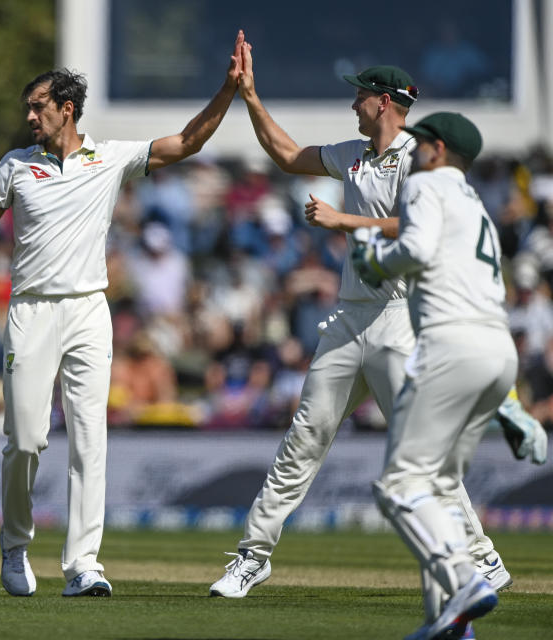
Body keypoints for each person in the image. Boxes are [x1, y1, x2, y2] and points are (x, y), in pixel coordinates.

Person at [208, 41, 532, 604]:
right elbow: (288, 156)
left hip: (402, 318)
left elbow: (418, 226)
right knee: (304, 437)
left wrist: (342, 220)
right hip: (349, 317)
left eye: (360, 96)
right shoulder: (353, 155)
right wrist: (250, 97)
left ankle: (484, 561)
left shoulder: (421, 158)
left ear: (384, 103)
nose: (352, 104)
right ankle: (251, 558)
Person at [0, 31, 245, 597]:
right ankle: (14, 546)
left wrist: (228, 90)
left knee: (89, 438)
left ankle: (83, 564)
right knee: (25, 438)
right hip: (30, 310)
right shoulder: (14, 165)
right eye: (28, 107)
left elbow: (188, 143)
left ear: (66, 109)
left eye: (38, 106)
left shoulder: (111, 158)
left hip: (87, 312)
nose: (29, 115)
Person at [352, 112, 512, 640]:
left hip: (451, 347)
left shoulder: (424, 185)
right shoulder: (476, 206)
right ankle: (450, 626)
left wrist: (376, 260)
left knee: (401, 485)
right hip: (496, 350)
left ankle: (466, 578)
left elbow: (415, 251)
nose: (413, 149)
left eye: (420, 142)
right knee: (440, 487)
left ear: (437, 149)